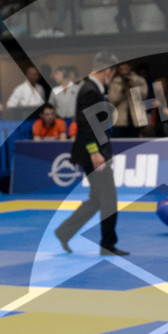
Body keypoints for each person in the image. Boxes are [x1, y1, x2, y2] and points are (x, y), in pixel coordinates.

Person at [54, 51, 126, 257]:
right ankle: (107, 244)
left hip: (94, 152)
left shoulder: (93, 89)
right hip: (93, 154)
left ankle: (64, 232)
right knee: (109, 200)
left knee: (97, 199)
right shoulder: (90, 90)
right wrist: (95, 153)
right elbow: (85, 125)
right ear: (108, 71)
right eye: (113, 72)